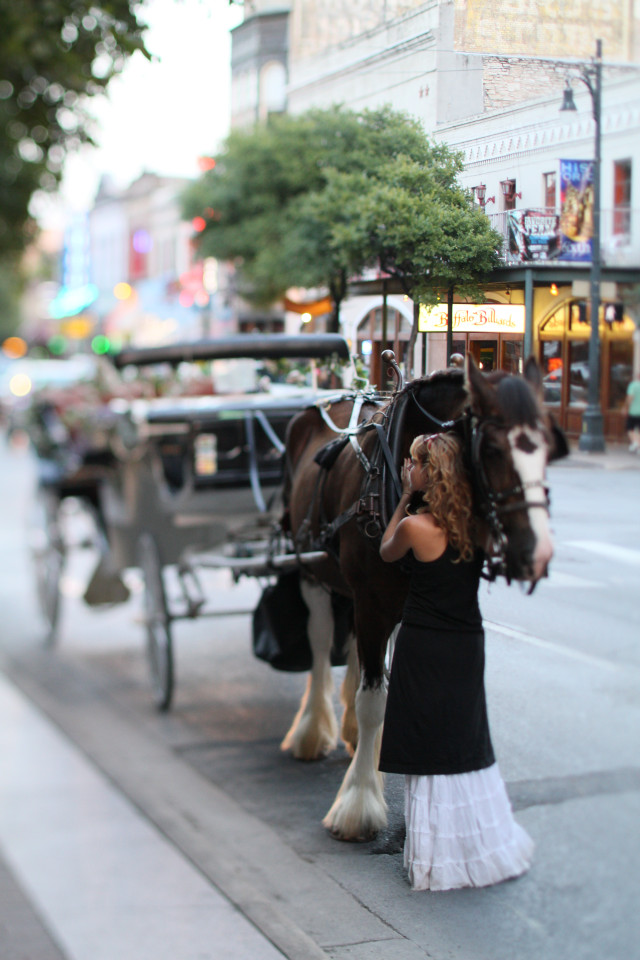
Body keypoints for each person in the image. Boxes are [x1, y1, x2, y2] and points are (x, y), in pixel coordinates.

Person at [378, 432, 533, 891]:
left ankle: (437, 855)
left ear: (429, 472)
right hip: (467, 644)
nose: (410, 468)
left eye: (414, 463)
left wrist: (405, 494)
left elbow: (386, 551)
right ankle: (478, 844)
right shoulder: (478, 527)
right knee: (465, 740)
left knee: (428, 746)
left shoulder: (414, 527)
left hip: (424, 645)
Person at [624, 374, 640, 453]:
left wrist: (626, 408)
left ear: (638, 376)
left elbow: (630, 397)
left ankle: (635, 443)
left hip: (633, 411)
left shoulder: (633, 385)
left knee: (630, 428)